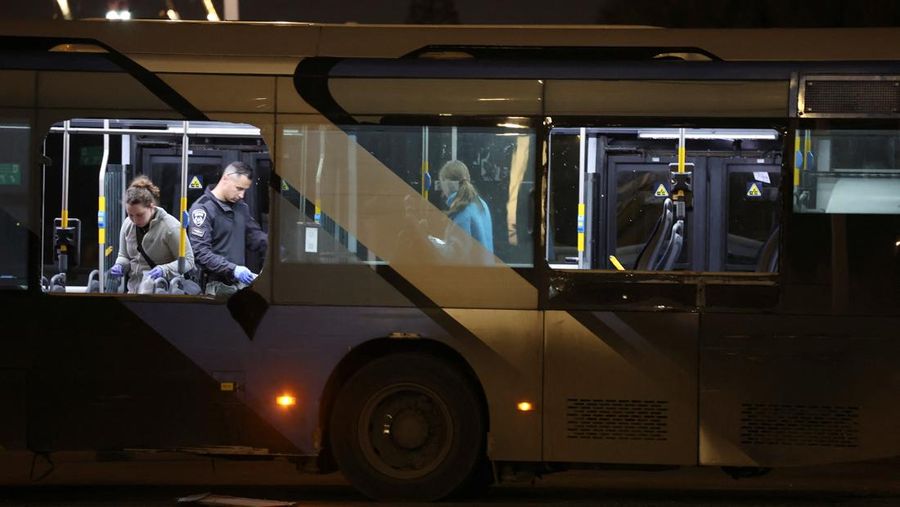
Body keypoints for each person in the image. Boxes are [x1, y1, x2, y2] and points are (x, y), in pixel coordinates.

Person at [188, 161, 268, 297]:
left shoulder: (241, 208)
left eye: (245, 190)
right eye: (239, 188)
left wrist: (277, 250)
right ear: (225, 179)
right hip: (213, 288)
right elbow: (200, 252)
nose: (242, 195)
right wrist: (233, 269)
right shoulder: (203, 209)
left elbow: (254, 237)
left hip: (238, 286)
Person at [110, 176, 195, 294]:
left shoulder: (170, 227)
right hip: (134, 291)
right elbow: (124, 255)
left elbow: (189, 261)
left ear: (151, 206)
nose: (134, 220)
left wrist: (164, 269)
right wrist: (120, 265)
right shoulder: (127, 224)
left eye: (139, 215)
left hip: (163, 292)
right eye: (130, 214)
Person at [438, 160, 493, 254]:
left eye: (441, 182)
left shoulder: (461, 209)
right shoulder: (481, 203)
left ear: (446, 183)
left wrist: (431, 243)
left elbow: (456, 256)